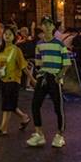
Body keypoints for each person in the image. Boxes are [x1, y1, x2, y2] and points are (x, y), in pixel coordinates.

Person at [0, 26, 33, 136]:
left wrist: (32, 79)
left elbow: (23, 66)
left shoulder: (16, 50)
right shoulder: (0, 51)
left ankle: (3, 128)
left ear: (14, 37)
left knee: (7, 105)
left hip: (13, 80)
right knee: (10, 105)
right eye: (6, 34)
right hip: (3, 80)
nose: (7, 36)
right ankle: (24, 117)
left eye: (10, 34)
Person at [27, 18, 70, 148]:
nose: (46, 27)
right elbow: (39, 63)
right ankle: (39, 133)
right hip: (43, 77)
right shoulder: (39, 44)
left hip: (55, 77)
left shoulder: (60, 44)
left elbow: (67, 63)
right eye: (44, 25)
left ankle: (60, 135)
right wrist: (38, 76)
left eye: (49, 25)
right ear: (42, 27)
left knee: (58, 107)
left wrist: (59, 76)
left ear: (52, 27)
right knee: (35, 104)